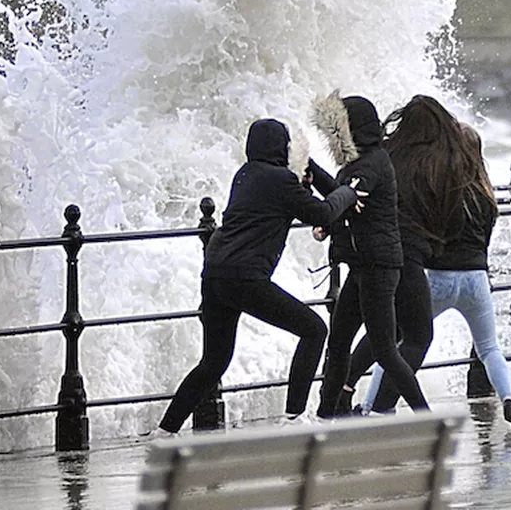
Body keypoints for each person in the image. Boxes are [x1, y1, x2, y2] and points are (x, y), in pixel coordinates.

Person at [153, 117, 362, 436]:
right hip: (245, 277)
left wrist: (302, 188)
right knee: (314, 329)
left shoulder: (246, 174)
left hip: (215, 274)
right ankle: (294, 418)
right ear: (281, 147)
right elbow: (320, 213)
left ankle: (166, 430)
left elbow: (282, 207)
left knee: (214, 361)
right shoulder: (279, 180)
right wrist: (348, 193)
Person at [359, 123, 511, 429]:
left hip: (438, 278)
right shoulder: (486, 195)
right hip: (477, 279)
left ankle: (370, 406)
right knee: (489, 348)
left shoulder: (442, 189)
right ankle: (509, 400)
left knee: (396, 341)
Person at [337, 95, 464, 414]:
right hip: (403, 257)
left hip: (368, 253)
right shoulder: (439, 163)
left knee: (383, 333)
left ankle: (341, 391)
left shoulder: (386, 154)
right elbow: (455, 220)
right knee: (418, 336)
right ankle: (383, 408)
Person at [308, 90, 429, 418]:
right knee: (338, 343)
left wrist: (326, 215)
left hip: (380, 267)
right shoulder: (356, 165)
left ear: (353, 129)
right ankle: (327, 415)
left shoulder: (373, 163)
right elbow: (343, 196)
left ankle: (425, 416)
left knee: (386, 350)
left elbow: (346, 197)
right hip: (362, 266)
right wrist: (312, 174)